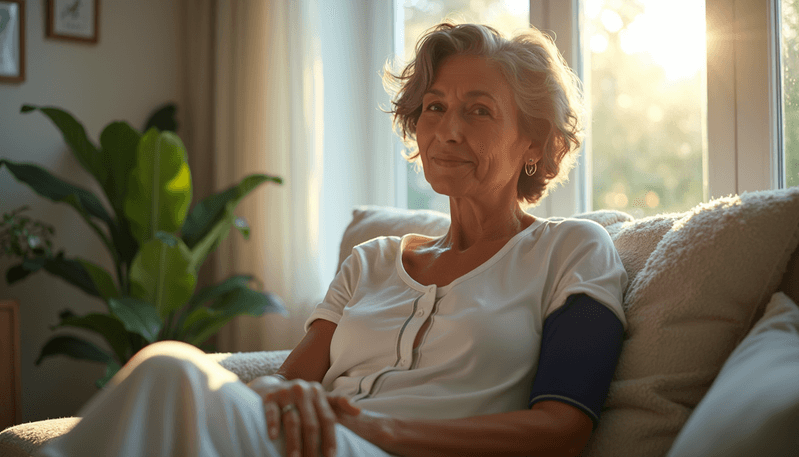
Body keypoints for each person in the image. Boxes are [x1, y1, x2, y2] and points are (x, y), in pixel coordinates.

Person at [38, 23, 627, 457]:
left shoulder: (572, 249)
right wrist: (280, 403)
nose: (446, 130)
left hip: (394, 450)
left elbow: (562, 429)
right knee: (165, 380)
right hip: (311, 446)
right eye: (433, 107)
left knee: (169, 371)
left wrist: (377, 430)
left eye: (478, 111)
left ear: (534, 142)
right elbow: (288, 385)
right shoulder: (371, 260)